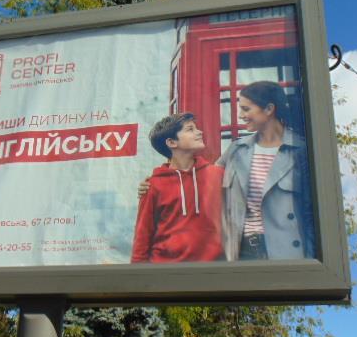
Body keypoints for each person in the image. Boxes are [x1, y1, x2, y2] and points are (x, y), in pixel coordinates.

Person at [138, 81, 315, 261]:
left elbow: (312, 214)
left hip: (286, 251)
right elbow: (199, 176)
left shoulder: (301, 150)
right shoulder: (237, 149)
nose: (241, 115)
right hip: (242, 251)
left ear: (269, 109)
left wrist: (313, 259)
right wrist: (156, 182)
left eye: (246, 109)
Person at [130, 113, 224, 263]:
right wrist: (137, 274)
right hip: (166, 269)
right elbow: (142, 236)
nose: (199, 132)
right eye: (190, 129)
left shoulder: (218, 175)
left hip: (212, 268)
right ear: (172, 142)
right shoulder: (153, 185)